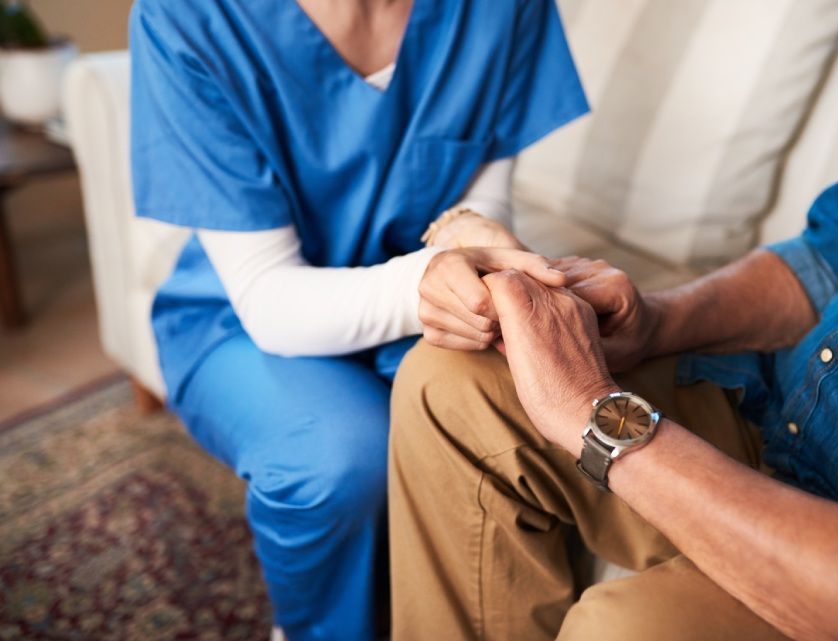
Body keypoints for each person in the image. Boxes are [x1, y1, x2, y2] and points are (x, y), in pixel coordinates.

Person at [388, 45, 838, 641]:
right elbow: (826, 255)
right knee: (448, 383)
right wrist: (656, 322)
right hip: (776, 403)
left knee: (619, 632)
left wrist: (592, 413)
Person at [128, 1, 588, 639]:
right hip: (244, 318)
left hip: (425, 295)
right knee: (340, 460)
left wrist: (467, 231)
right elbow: (267, 297)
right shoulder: (191, 18)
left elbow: (478, 187)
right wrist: (425, 280)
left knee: (501, 415)